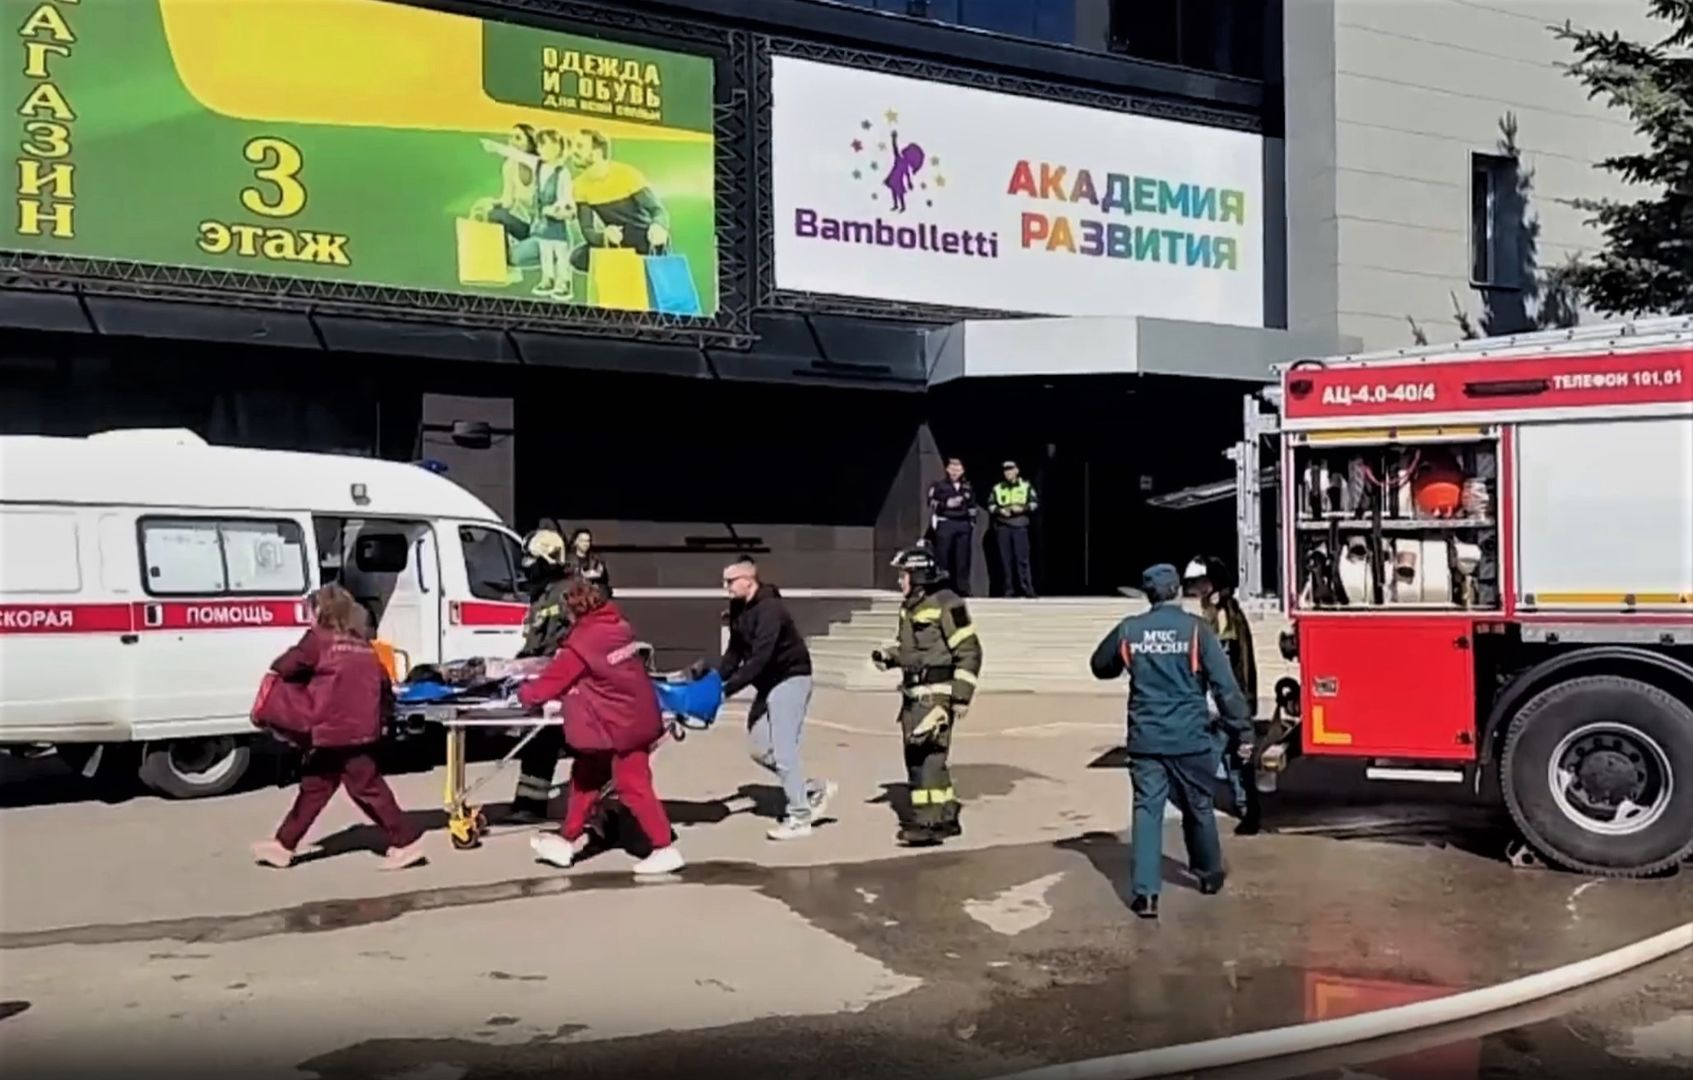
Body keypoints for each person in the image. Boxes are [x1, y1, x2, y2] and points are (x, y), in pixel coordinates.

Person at [1089, 564, 1251, 919]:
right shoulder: (1196, 631)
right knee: (1199, 806)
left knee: (1147, 813)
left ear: (1148, 594)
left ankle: (1146, 895)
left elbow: (1100, 666)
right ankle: (1208, 875)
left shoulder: (1130, 630)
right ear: (1178, 590)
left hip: (1146, 740)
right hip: (1189, 738)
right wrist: (1243, 729)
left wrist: (1125, 661)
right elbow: (1225, 686)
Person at [251, 584, 425, 871]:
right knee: (319, 787)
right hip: (360, 731)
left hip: (330, 730)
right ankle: (283, 844)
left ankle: (405, 842)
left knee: (364, 788)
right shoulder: (364, 646)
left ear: (320, 611)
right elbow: (384, 688)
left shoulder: (317, 640)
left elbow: (283, 666)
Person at [519, 578, 684, 876]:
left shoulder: (582, 644)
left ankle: (663, 848)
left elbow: (551, 683)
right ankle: (566, 840)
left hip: (619, 726)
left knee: (633, 786)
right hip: (632, 717)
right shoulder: (619, 628)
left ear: (573, 610)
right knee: (585, 778)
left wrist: (524, 695)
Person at [716, 557, 836, 840]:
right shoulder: (738, 608)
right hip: (767, 683)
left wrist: (725, 691)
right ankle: (810, 790)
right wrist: (712, 682)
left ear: (748, 580)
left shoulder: (771, 609)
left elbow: (760, 659)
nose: (726, 588)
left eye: (730, 582)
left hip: (790, 678)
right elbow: (734, 654)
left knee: (783, 750)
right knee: (759, 747)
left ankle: (800, 817)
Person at [871, 545, 983, 847]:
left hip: (936, 697)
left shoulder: (948, 604)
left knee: (927, 759)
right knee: (922, 757)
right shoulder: (911, 607)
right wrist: (891, 656)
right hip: (913, 695)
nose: (899, 581)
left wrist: (959, 697)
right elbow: (913, 650)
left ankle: (927, 823)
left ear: (918, 574)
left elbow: (970, 651)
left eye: (903, 574)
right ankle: (945, 817)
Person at [1184, 555, 1261, 835]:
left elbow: (1222, 665)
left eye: (1199, 584)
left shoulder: (1222, 616)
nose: (1194, 590)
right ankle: (1248, 810)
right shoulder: (1225, 611)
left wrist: (1215, 704)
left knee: (1210, 758)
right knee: (1235, 759)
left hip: (1227, 704)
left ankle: (1204, 812)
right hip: (1234, 701)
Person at [508, 528, 576, 823]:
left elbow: (579, 638)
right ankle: (528, 804)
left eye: (531, 559)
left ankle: (535, 807)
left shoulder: (570, 592)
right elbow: (535, 642)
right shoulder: (542, 594)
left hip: (568, 682)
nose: (525, 566)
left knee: (562, 741)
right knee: (538, 740)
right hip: (544, 678)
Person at [568, 129, 671, 273]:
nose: (572, 151)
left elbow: (658, 210)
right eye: (571, 145)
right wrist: (604, 236)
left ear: (597, 152)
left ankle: (634, 265)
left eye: (579, 146)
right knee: (578, 257)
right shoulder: (579, 186)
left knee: (653, 252)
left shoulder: (628, 174)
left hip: (644, 237)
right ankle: (625, 267)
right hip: (616, 240)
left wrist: (659, 227)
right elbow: (587, 230)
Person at [532, 129, 575, 300]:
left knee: (560, 251)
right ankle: (547, 278)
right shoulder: (539, 167)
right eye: (541, 145)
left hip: (556, 219)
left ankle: (563, 281)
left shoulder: (562, 172)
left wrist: (558, 208)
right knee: (545, 249)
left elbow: (566, 195)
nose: (544, 150)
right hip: (542, 220)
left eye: (550, 145)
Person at [927, 457, 977, 597]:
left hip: (963, 524)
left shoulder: (967, 486)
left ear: (962, 471)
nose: (955, 472)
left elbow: (972, 505)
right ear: (947, 470)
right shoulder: (939, 485)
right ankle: (942, 587)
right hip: (946, 522)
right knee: (944, 556)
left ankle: (962, 589)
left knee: (962, 558)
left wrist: (972, 521)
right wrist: (946, 503)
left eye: (958, 469)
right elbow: (931, 502)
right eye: (952, 469)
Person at [989, 460, 1039, 597]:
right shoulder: (998, 488)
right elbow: (991, 505)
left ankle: (1027, 588)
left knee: (1022, 559)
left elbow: (1034, 503)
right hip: (1003, 525)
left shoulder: (1026, 486)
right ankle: (1008, 589)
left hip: (1020, 524)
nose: (1008, 473)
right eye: (1006, 470)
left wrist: (1023, 508)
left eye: (1011, 469)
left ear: (1017, 471)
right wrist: (1000, 510)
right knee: (1005, 560)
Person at [567, 528, 613, 599]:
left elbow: (604, 579)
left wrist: (598, 574)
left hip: (591, 593)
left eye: (588, 541)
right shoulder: (567, 559)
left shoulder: (596, 559)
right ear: (575, 541)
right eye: (582, 541)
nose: (586, 544)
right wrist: (583, 576)